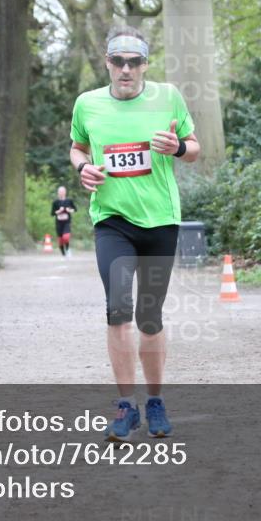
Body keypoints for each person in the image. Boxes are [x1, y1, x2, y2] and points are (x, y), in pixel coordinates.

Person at [69, 27, 200, 441]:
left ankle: (156, 401)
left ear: (146, 64)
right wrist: (82, 167)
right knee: (118, 310)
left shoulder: (168, 97)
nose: (126, 68)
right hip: (112, 220)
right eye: (118, 60)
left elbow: (194, 147)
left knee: (149, 316)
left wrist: (176, 148)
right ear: (106, 62)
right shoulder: (87, 104)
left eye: (135, 61)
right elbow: (77, 146)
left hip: (160, 219)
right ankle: (126, 406)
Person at [50, 185, 76, 256]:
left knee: (66, 237)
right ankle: (63, 253)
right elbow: (52, 213)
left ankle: (67, 249)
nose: (61, 193)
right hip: (58, 223)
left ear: (65, 192)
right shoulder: (55, 202)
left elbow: (75, 209)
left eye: (62, 191)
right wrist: (58, 211)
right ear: (58, 193)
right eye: (60, 192)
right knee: (60, 240)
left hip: (67, 222)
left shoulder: (69, 201)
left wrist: (69, 210)